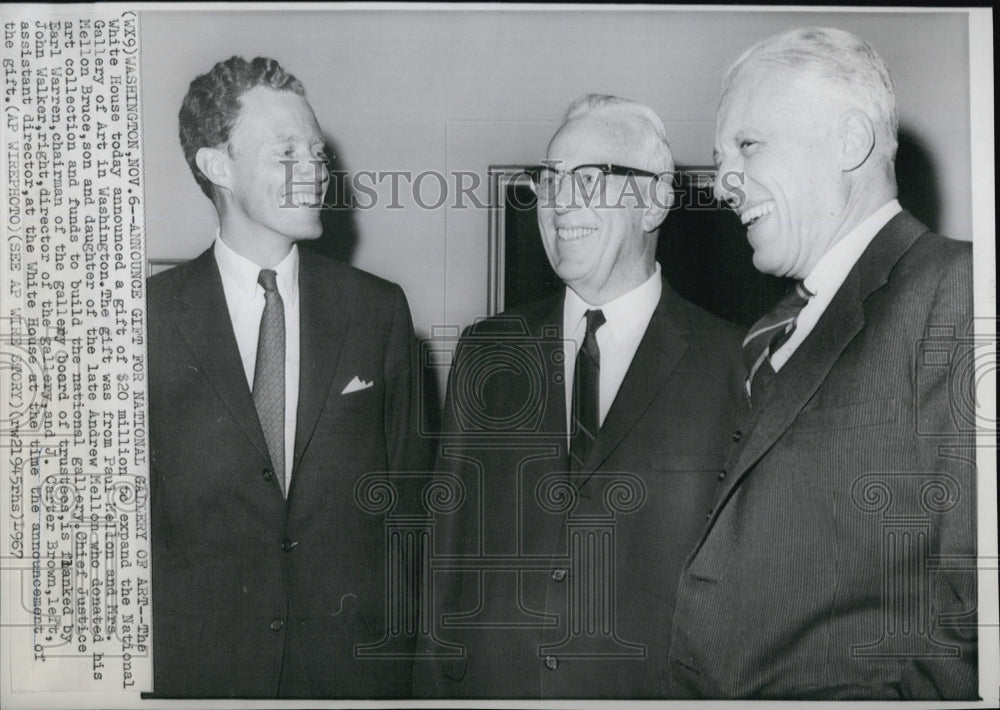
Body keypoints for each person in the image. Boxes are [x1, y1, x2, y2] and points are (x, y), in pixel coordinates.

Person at [667, 27, 977, 699]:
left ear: (851, 141)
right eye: (720, 158)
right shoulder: (771, 332)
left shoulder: (959, 290)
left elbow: (978, 617)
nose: (722, 185)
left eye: (747, 145)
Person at [415, 95, 745, 697]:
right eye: (549, 179)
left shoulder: (737, 367)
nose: (558, 201)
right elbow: (445, 563)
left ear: (654, 201)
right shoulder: (487, 351)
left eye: (588, 178)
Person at [147, 56, 431, 698]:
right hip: (200, 677)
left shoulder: (378, 310)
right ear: (217, 166)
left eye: (318, 154)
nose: (314, 175)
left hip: (352, 675)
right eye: (286, 155)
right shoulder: (149, 320)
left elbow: (412, 508)